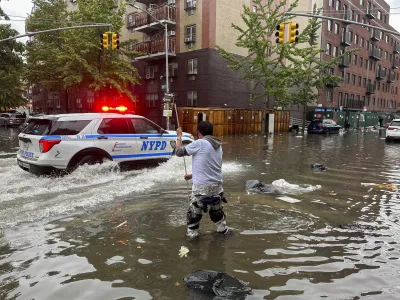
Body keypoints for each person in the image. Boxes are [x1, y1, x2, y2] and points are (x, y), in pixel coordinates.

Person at [176, 121, 229, 238]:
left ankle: (192, 239)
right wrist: (192, 175)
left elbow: (178, 152)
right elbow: (211, 167)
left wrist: (179, 136)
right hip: (217, 188)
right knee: (217, 213)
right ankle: (222, 232)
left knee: (194, 214)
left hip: (201, 189)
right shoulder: (218, 145)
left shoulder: (200, 143)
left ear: (199, 132)